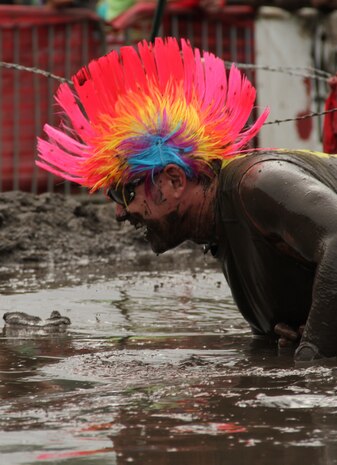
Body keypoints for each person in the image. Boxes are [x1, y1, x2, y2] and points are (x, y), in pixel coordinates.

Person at [36, 37, 337, 363]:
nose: (119, 212)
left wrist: (313, 351)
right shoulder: (218, 225)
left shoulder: (258, 184)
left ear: (175, 180)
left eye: (125, 192)